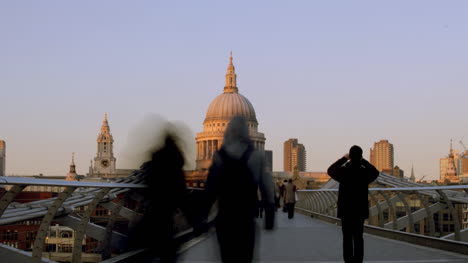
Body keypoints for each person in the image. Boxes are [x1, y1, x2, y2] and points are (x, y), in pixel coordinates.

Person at [203, 116, 275, 263]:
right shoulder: (257, 156)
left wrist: (201, 217)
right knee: (245, 257)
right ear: (247, 132)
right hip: (246, 219)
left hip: (225, 219)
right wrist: (269, 218)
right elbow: (268, 190)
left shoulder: (219, 157)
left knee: (227, 258)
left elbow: (209, 191)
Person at [126, 134, 189, 263]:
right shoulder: (177, 168)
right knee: (166, 250)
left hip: (154, 214)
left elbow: (150, 186)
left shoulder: (155, 162)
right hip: (167, 216)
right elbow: (181, 195)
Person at [327, 145, 379, 263]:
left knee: (347, 238)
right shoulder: (364, 172)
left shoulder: (343, 171)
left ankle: (348, 260)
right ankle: (358, 260)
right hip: (359, 211)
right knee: (358, 237)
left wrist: (344, 159)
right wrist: (362, 160)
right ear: (360, 156)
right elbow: (375, 172)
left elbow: (330, 170)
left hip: (346, 210)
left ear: (350, 156)